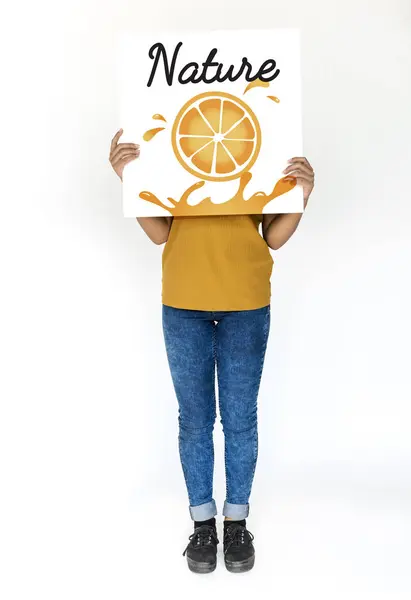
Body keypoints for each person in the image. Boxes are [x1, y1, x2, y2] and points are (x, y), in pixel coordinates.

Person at [109, 128, 315, 573]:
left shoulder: (260, 140)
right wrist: (128, 176)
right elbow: (160, 234)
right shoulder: (173, 145)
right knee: (195, 419)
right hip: (183, 303)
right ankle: (203, 523)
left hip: (247, 301)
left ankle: (235, 520)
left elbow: (274, 237)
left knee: (240, 418)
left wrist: (303, 194)